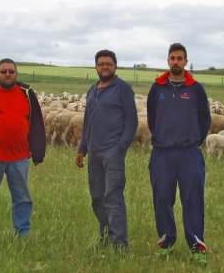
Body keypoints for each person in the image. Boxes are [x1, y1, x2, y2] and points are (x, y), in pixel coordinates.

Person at [147, 43, 211, 264]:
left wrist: (191, 141)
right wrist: (165, 139)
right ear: (167, 61)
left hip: (189, 153)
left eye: (180, 58)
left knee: (193, 199)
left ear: (186, 61)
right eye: (172, 58)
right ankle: (166, 243)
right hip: (162, 153)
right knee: (162, 199)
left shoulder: (196, 89)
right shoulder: (157, 88)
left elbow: (205, 121)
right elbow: (152, 119)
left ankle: (197, 247)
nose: (176, 62)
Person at [0, 58, 46, 237]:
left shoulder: (27, 93)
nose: (7, 74)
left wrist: (38, 152)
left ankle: (23, 234)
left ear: (16, 74)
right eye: (4, 71)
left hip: (19, 157)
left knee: (22, 198)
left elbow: (36, 123)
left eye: (11, 71)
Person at [76, 50, 138, 250]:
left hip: (112, 153)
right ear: (96, 66)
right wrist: (82, 148)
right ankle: (105, 234)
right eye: (101, 64)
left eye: (108, 64)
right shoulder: (92, 90)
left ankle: (120, 245)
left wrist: (120, 148)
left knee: (113, 197)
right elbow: (88, 121)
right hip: (94, 152)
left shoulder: (123, 89)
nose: (105, 67)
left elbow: (132, 121)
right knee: (97, 197)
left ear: (115, 66)